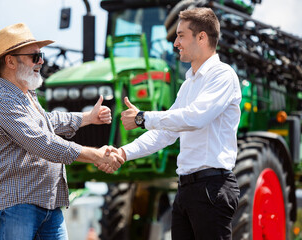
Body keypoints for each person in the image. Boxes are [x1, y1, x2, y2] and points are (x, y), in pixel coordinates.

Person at [100, 7, 242, 239]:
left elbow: (195, 117)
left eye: (180, 35)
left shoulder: (223, 75)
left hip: (212, 188)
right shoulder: (188, 85)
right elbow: (165, 133)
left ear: (202, 37)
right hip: (187, 191)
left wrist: (143, 117)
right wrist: (123, 153)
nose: (175, 42)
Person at [0, 23, 124, 240]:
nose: (41, 61)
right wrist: (95, 155)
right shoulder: (1, 101)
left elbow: (48, 121)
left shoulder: (25, 95)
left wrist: (87, 118)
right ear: (10, 61)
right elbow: (42, 142)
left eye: (41, 55)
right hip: (18, 207)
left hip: (47, 204)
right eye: (34, 56)